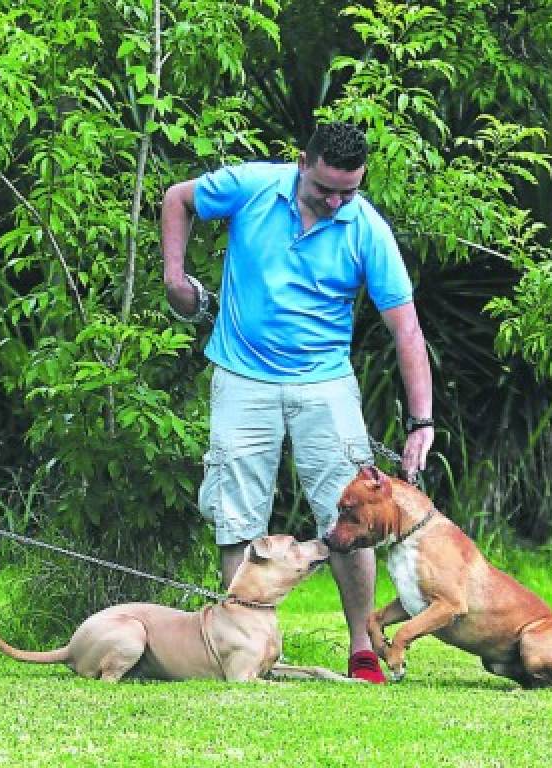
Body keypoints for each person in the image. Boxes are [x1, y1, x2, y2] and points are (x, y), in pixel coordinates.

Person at [161, 121, 434, 683]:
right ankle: (239, 644)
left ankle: (362, 647)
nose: (336, 202)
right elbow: (177, 198)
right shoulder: (254, 186)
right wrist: (175, 277)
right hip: (241, 375)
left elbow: (406, 330)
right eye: (325, 190)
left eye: (348, 191)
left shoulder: (366, 229)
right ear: (303, 164)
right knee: (237, 513)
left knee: (349, 516)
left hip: (324, 382)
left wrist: (421, 421)